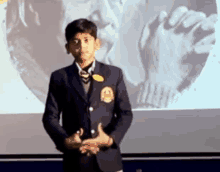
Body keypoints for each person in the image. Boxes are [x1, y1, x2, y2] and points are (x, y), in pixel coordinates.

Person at [5, 0, 218, 111]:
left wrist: (169, 78)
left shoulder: (115, 89)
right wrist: (160, 85)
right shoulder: (16, 99)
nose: (106, 17)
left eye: (115, 2)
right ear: (30, 9)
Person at [42, 19, 133, 172]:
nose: (81, 46)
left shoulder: (114, 74)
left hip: (109, 159)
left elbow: (126, 113)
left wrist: (109, 139)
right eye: (75, 41)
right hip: (76, 160)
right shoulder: (60, 77)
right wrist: (66, 141)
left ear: (97, 43)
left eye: (86, 40)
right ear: (67, 48)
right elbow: (50, 117)